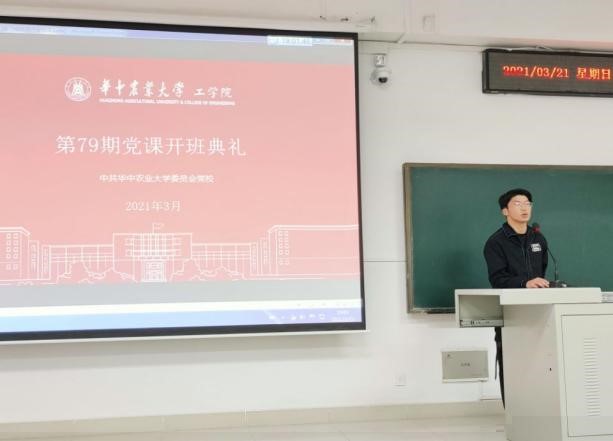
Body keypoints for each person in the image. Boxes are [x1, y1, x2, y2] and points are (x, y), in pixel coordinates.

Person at [483, 188, 549, 407]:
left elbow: (542, 272)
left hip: (538, 311)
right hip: (510, 312)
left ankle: (537, 408)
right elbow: (497, 279)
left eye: (528, 203)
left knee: (540, 360)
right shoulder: (496, 242)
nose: (524, 208)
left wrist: (536, 284)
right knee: (511, 362)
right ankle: (513, 411)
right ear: (505, 211)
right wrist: (524, 283)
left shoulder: (538, 238)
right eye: (517, 203)